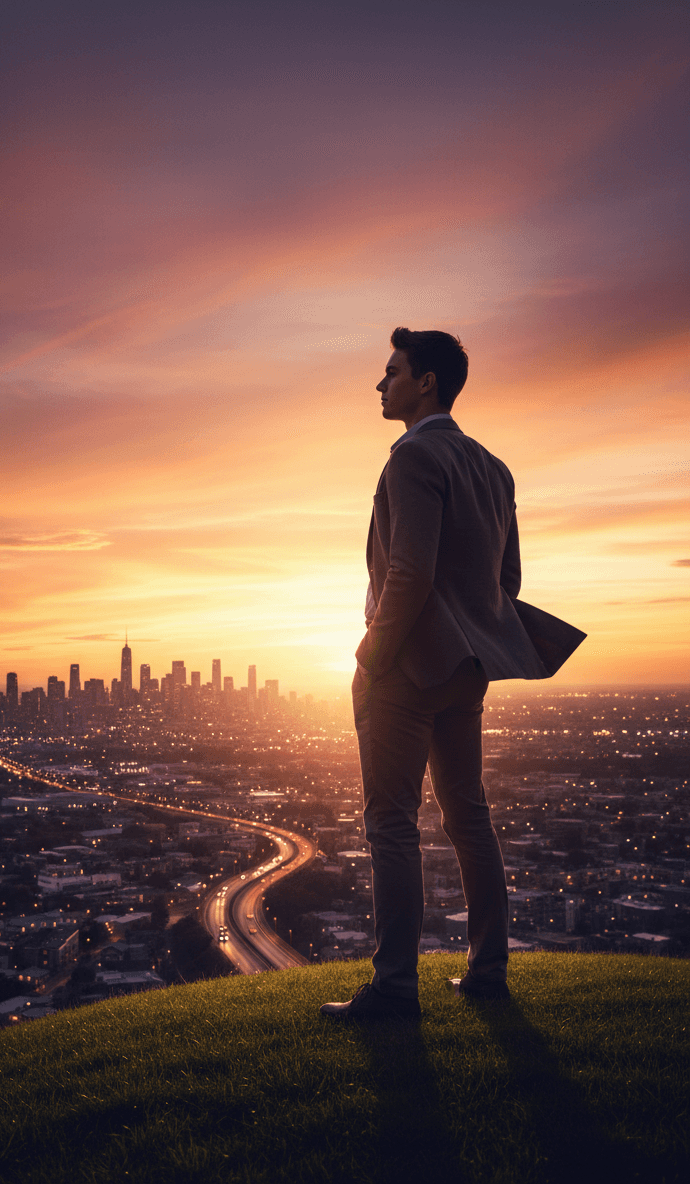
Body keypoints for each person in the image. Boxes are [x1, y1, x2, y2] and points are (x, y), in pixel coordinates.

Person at [320, 327, 585, 1022]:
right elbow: (509, 580)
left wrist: (374, 657)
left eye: (392, 372)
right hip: (469, 668)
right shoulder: (493, 468)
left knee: (391, 824)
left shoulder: (411, 458)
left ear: (426, 381)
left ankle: (395, 988)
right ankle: (489, 970)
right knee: (469, 818)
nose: (381, 385)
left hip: (406, 668)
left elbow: (409, 571)